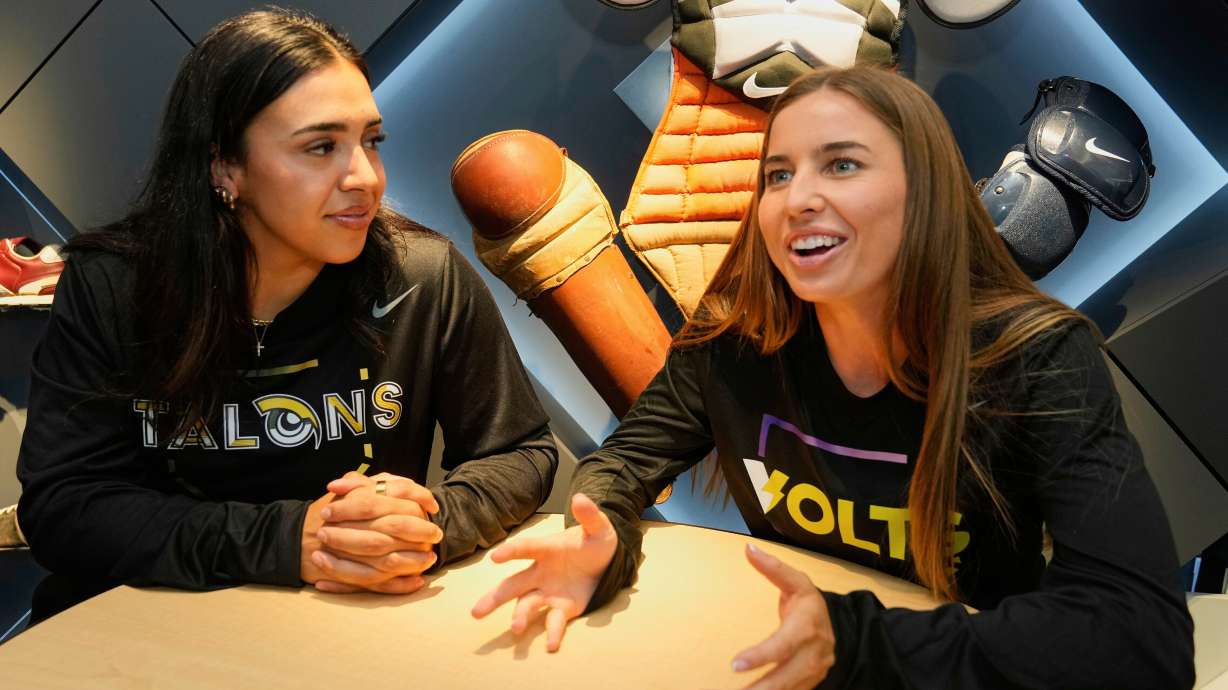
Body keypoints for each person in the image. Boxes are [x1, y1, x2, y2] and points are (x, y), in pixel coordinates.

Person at [471, 65, 1195, 689]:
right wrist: (601, 532)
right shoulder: (733, 339)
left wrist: (862, 646)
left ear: (927, 193)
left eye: (842, 164)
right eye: (778, 174)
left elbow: (1144, 636)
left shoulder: (1037, 357)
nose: (798, 197)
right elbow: (624, 465)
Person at [16, 9, 556, 608]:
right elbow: (64, 508)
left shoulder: (422, 276)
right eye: (321, 146)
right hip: (145, 628)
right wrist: (291, 540)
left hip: (347, 627)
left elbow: (519, 450)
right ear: (225, 167)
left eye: (370, 141)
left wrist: (423, 528)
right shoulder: (114, 286)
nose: (364, 177)